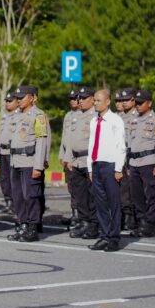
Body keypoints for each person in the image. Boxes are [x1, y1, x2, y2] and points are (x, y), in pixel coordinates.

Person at [6, 85, 50, 242]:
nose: (18, 101)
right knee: (18, 196)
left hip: (30, 161)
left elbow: (41, 141)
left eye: (21, 98)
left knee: (31, 196)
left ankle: (32, 227)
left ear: (32, 98)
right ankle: (23, 224)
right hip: (16, 161)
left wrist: (38, 166)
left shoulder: (38, 116)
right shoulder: (16, 115)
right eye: (17, 98)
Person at [87, 89, 126, 252]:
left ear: (107, 101)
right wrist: (90, 167)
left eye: (98, 100)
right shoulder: (93, 121)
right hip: (96, 165)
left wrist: (118, 168)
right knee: (100, 204)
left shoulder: (115, 120)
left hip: (110, 166)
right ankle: (104, 236)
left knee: (114, 203)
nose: (95, 103)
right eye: (94, 100)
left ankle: (114, 238)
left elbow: (121, 146)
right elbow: (91, 144)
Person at [126, 89, 155, 237]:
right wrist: (128, 164)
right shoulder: (133, 119)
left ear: (149, 103)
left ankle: (150, 223)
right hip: (134, 162)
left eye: (141, 103)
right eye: (136, 103)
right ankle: (141, 222)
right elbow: (129, 142)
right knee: (136, 195)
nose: (138, 106)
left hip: (149, 162)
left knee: (151, 194)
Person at [65, 87, 99, 240]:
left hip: (90, 160)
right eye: (79, 98)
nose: (81, 101)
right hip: (77, 160)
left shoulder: (96, 116)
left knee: (92, 195)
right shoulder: (76, 116)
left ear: (93, 99)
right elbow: (69, 140)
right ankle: (84, 221)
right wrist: (69, 158)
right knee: (80, 194)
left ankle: (94, 224)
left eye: (84, 98)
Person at [116, 87, 138, 231]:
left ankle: (134, 217)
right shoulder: (119, 117)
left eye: (126, 100)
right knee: (123, 189)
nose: (123, 103)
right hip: (121, 156)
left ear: (133, 100)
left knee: (133, 189)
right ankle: (126, 215)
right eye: (121, 100)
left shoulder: (138, 115)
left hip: (134, 156)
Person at [59, 89, 80, 226]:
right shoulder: (68, 116)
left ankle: (81, 215)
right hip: (68, 156)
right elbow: (64, 136)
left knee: (80, 187)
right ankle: (74, 213)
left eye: (75, 98)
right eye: (71, 98)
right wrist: (62, 154)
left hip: (78, 157)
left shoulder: (85, 115)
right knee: (71, 187)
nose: (72, 101)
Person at [0, 91, 18, 213]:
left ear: (16, 102)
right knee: (4, 178)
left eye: (10, 101)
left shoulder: (19, 115)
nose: (7, 103)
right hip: (2, 151)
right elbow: (0, 133)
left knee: (12, 178)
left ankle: (15, 203)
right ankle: (8, 201)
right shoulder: (4, 115)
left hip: (12, 151)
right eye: (6, 101)